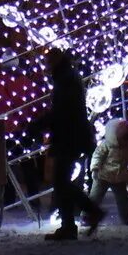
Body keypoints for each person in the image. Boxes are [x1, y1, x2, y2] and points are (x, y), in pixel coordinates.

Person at [38, 49, 105, 239]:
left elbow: (62, 111)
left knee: (62, 182)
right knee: (62, 182)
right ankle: (70, 224)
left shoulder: (65, 80)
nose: (46, 66)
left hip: (69, 136)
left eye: (48, 61)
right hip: (71, 136)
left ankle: (86, 214)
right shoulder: (67, 77)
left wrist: (38, 124)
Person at [90, 108, 128, 226]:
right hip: (103, 176)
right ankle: (87, 215)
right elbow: (97, 156)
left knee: (123, 198)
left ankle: (125, 217)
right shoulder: (107, 145)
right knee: (95, 196)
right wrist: (95, 168)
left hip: (119, 178)